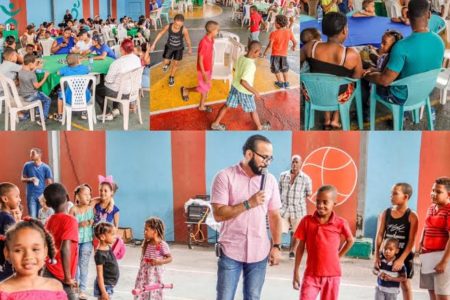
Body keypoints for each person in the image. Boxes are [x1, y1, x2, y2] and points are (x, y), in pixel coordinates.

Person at [211, 134, 282, 300]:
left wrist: (277, 246)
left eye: (270, 158)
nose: (267, 162)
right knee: (225, 297)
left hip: (259, 253)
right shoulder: (225, 177)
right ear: (249, 154)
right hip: (230, 252)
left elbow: (275, 216)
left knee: (253, 297)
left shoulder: (270, 181)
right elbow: (219, 214)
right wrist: (248, 203)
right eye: (264, 157)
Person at [364, 0, 444, 105]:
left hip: (401, 97)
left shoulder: (401, 46)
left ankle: (365, 113)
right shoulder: (439, 41)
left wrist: (366, 75)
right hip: (426, 92)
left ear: (407, 15)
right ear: (429, 15)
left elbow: (385, 80)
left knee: (366, 81)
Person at [300, 12, 363, 130]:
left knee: (323, 83)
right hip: (338, 96)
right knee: (345, 84)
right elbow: (357, 76)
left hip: (314, 93)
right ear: (344, 30)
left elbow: (299, 65)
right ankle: (336, 118)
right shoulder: (351, 54)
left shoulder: (310, 47)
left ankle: (327, 118)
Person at [292, 185, 354, 300]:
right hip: (311, 275)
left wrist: (338, 256)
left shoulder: (340, 223)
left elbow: (350, 240)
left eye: (325, 202)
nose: (320, 205)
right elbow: (300, 247)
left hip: (332, 276)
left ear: (334, 203)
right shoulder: (306, 221)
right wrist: (295, 270)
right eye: (318, 201)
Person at [0, 218, 66, 299]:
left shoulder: (55, 287)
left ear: (45, 251)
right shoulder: (3, 291)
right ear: (7, 253)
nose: (28, 256)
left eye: (35, 249)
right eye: (18, 250)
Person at [210, 41, 270, 131]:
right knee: (253, 109)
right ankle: (260, 127)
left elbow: (235, 69)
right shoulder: (251, 65)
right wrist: (255, 91)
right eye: (259, 52)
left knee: (226, 105)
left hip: (235, 87)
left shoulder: (241, 57)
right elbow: (244, 82)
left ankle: (215, 124)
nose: (259, 54)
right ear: (255, 52)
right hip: (244, 92)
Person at [374, 183, 418, 300]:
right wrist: (377, 256)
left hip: (404, 254)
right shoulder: (386, 213)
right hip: (388, 253)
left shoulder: (412, 216)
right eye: (391, 193)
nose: (391, 196)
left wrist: (401, 259)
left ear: (405, 197)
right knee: (383, 279)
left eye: (395, 193)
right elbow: (379, 235)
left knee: (405, 283)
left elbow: (412, 240)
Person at [43, 183, 79, 300]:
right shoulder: (70, 220)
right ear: (68, 198)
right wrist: (68, 277)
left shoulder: (49, 220)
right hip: (61, 273)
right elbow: (65, 248)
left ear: (47, 204)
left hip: (49, 269)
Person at [95, 38, 141, 121]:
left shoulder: (117, 63)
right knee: (117, 84)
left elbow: (108, 80)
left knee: (96, 89)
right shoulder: (137, 59)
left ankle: (107, 113)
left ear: (122, 50)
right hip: (133, 90)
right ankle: (115, 109)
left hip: (122, 93)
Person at [419, 177, 450, 300]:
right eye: (433, 190)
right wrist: (421, 243)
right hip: (428, 257)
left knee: (442, 295)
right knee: (432, 293)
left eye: (438, 192)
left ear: (448, 194)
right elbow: (426, 227)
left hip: (442, 258)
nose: (433, 194)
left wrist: (443, 262)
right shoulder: (431, 208)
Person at [180, 21, 219, 112]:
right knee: (203, 88)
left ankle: (201, 105)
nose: (218, 32)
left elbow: (209, 54)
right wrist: (204, 74)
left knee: (205, 87)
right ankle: (187, 90)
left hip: (208, 68)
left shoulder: (212, 39)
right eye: (217, 30)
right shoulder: (204, 42)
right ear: (212, 31)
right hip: (203, 70)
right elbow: (200, 60)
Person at [279, 155, 312, 259]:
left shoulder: (306, 178)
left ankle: (292, 251)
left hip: (298, 210)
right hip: (284, 209)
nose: (294, 164)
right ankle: (276, 249)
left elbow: (309, 193)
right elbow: (278, 190)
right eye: (293, 162)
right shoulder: (283, 176)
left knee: (296, 232)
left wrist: (297, 199)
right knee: (279, 229)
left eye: (297, 162)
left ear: (301, 163)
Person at [134, 217, 173, 300]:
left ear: (155, 231)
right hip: (144, 273)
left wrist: (159, 261)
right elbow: (143, 257)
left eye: (146, 230)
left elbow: (170, 258)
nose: (144, 232)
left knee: (153, 291)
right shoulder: (147, 243)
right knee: (142, 290)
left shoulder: (162, 244)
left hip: (155, 274)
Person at [150, 14, 192, 87]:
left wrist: (190, 48)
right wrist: (154, 44)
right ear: (173, 21)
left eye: (180, 25)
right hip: (169, 47)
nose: (177, 26)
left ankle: (171, 77)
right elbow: (160, 33)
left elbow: (187, 40)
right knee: (165, 61)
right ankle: (168, 64)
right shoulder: (168, 26)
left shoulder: (184, 30)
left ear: (182, 24)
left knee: (176, 64)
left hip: (179, 48)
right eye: (176, 24)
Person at [69, 184, 95, 300]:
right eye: (85, 194)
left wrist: (92, 222)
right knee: (74, 265)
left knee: (83, 265)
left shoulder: (91, 208)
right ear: (78, 196)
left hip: (87, 241)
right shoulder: (73, 209)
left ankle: (82, 290)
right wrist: (79, 224)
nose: (88, 196)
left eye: (89, 194)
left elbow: (103, 199)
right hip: (75, 241)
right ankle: (75, 287)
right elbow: (68, 225)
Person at [263, 15, 297, 89]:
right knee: (284, 69)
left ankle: (280, 83)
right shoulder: (289, 32)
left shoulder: (274, 33)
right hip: (284, 55)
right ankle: (286, 83)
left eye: (275, 22)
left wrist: (265, 53)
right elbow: (295, 42)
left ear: (278, 24)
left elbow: (270, 46)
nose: (274, 23)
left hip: (275, 55)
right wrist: (293, 47)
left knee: (276, 69)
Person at [55, 53, 91, 122]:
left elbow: (58, 73)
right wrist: (81, 64)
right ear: (78, 61)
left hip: (69, 98)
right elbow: (90, 69)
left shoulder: (65, 69)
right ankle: (84, 111)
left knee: (60, 94)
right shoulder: (83, 68)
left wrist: (65, 67)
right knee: (87, 90)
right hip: (85, 97)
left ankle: (60, 115)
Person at [17, 54, 52, 121]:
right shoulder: (32, 75)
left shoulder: (21, 71)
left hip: (23, 95)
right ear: (30, 64)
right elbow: (37, 86)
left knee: (41, 96)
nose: (36, 65)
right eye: (35, 63)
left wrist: (35, 67)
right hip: (31, 96)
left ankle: (37, 112)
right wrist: (45, 76)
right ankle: (43, 118)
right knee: (48, 99)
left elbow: (28, 75)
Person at [21, 148, 53, 218]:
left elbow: (50, 182)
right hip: (31, 195)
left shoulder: (46, 167)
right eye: (30, 154)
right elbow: (22, 179)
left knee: (41, 216)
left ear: (39, 155)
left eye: (33, 153)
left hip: (42, 196)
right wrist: (30, 179)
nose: (31, 155)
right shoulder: (27, 165)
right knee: (32, 216)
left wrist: (48, 196)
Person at [0, 183, 21, 281]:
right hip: (6, 264)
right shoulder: (9, 219)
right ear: (5, 199)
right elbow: (14, 242)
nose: (19, 199)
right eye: (17, 196)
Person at [94, 222, 120, 300]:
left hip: (109, 284)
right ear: (102, 237)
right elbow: (100, 275)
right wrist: (103, 292)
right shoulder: (100, 254)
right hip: (105, 286)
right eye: (112, 234)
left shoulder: (107, 247)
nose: (114, 237)